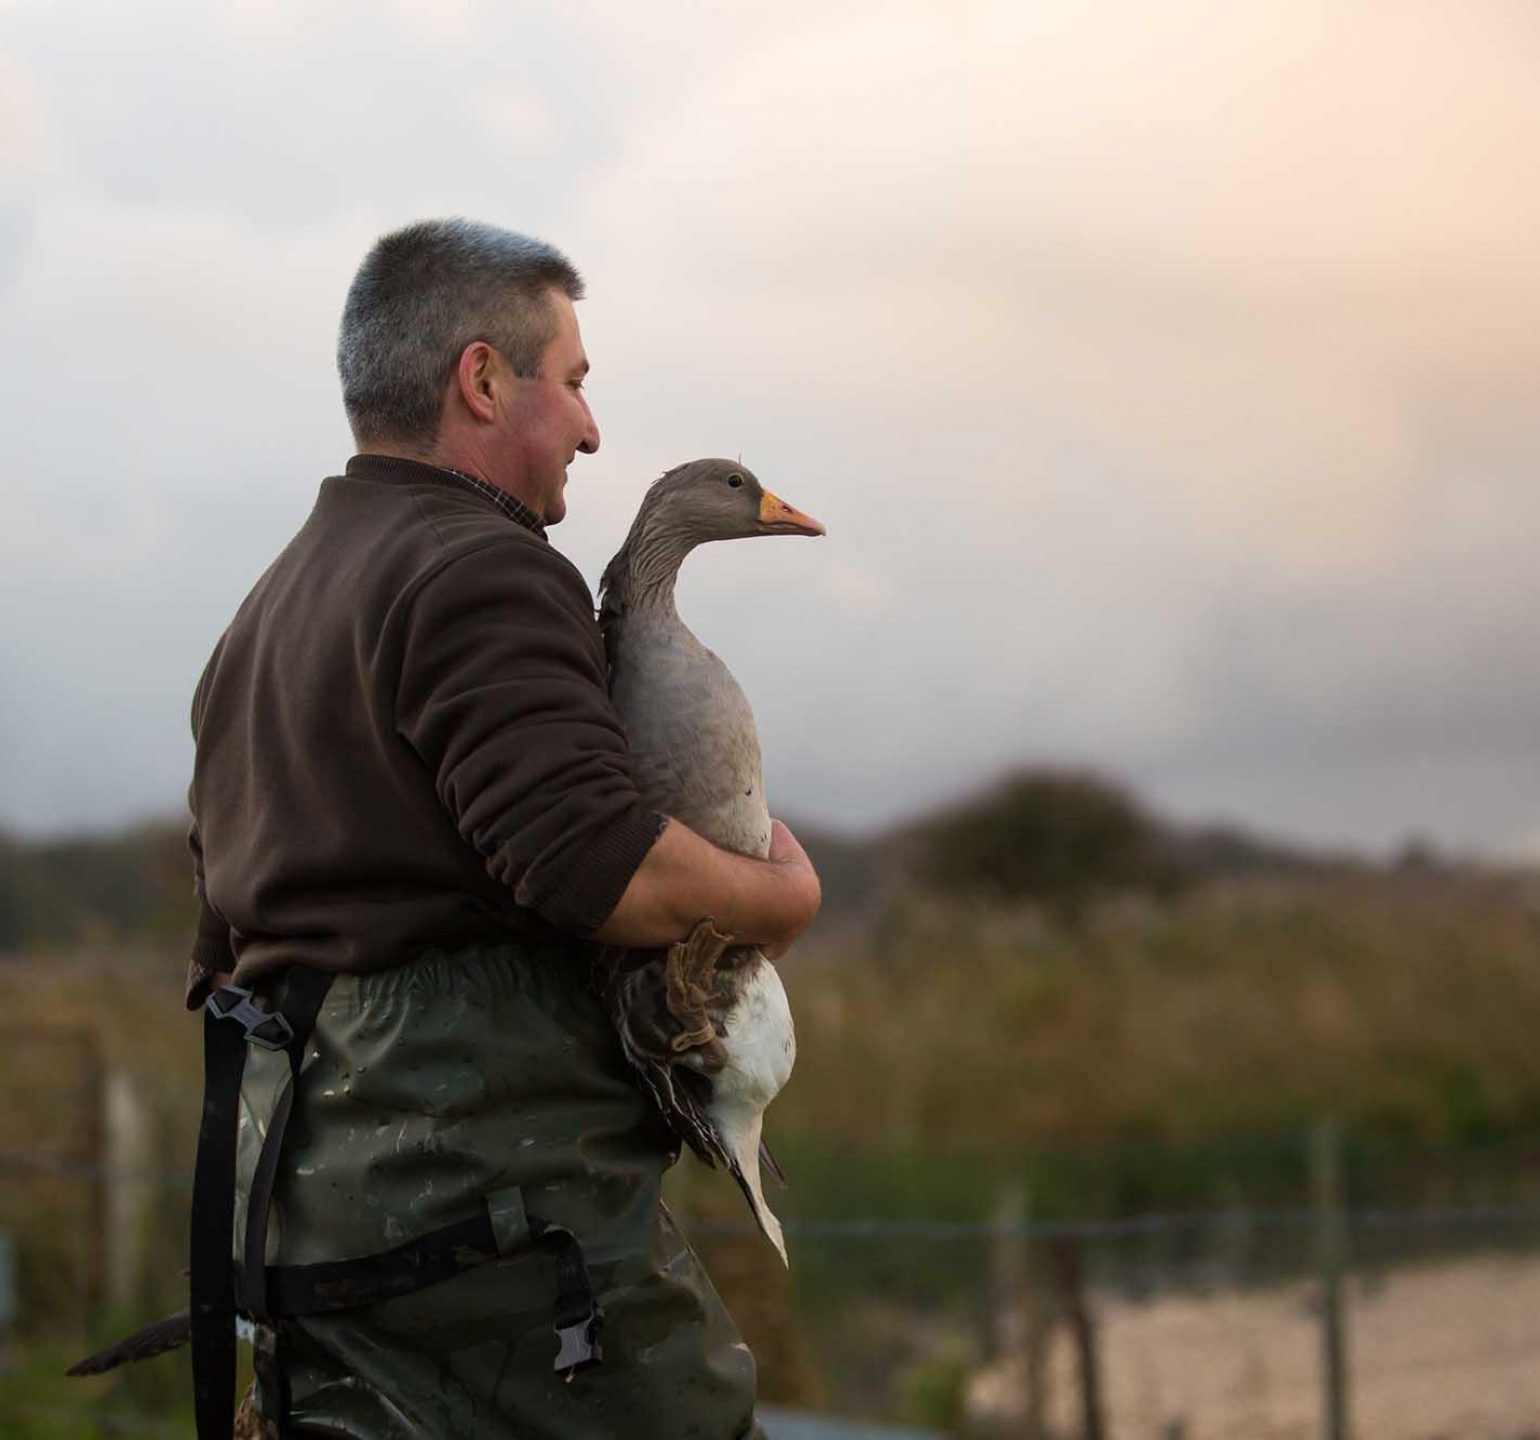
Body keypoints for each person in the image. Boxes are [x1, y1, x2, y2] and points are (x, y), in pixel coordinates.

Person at [186, 217, 820, 1439]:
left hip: (303, 1228)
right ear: (482, 379)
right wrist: (781, 898)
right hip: (493, 1232)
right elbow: (604, 867)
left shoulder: (267, 613)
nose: (592, 426)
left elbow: (223, 941)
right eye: (573, 382)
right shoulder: (480, 566)